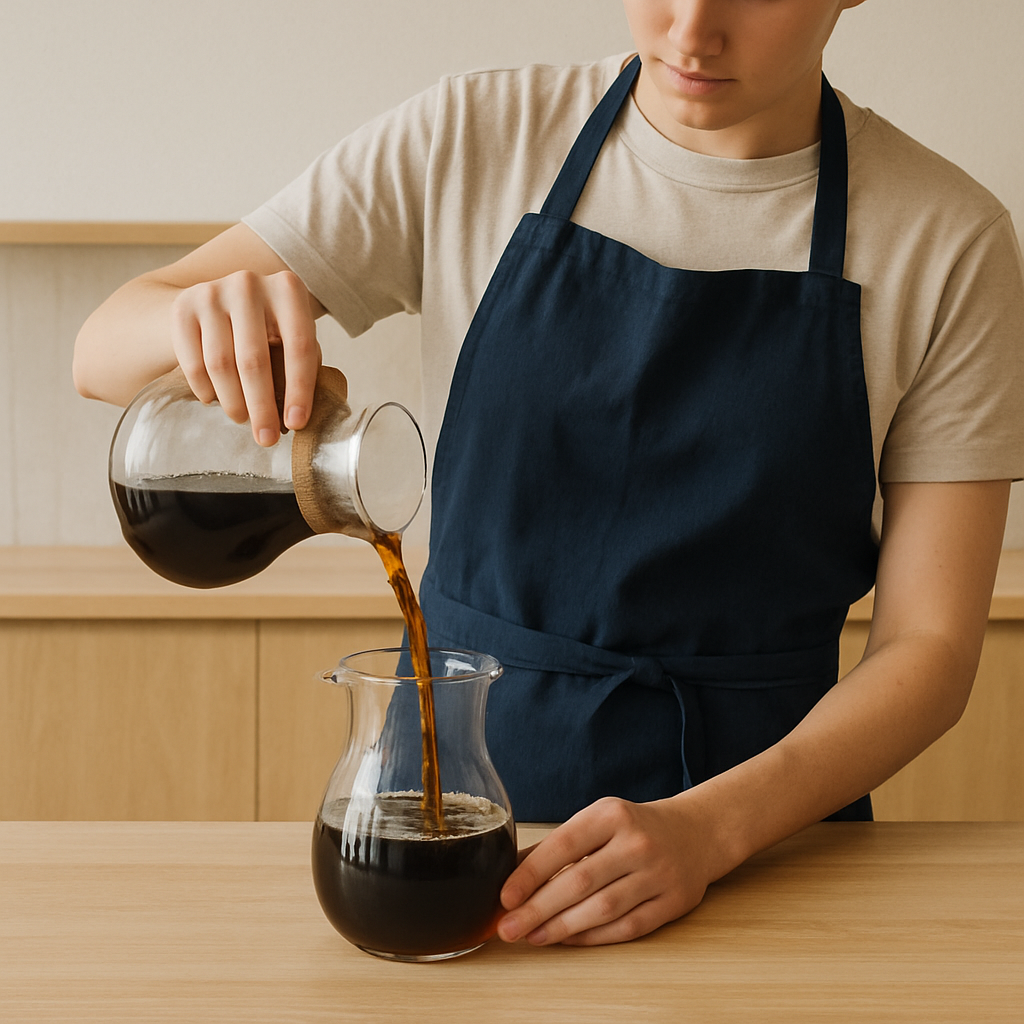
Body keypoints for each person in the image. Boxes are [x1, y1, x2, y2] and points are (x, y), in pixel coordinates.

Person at [74, 0, 1024, 947]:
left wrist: (712, 830)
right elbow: (102, 350)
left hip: (772, 852)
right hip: (446, 825)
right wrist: (198, 321)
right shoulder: (472, 138)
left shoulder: (948, 239)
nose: (693, 29)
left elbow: (929, 651)